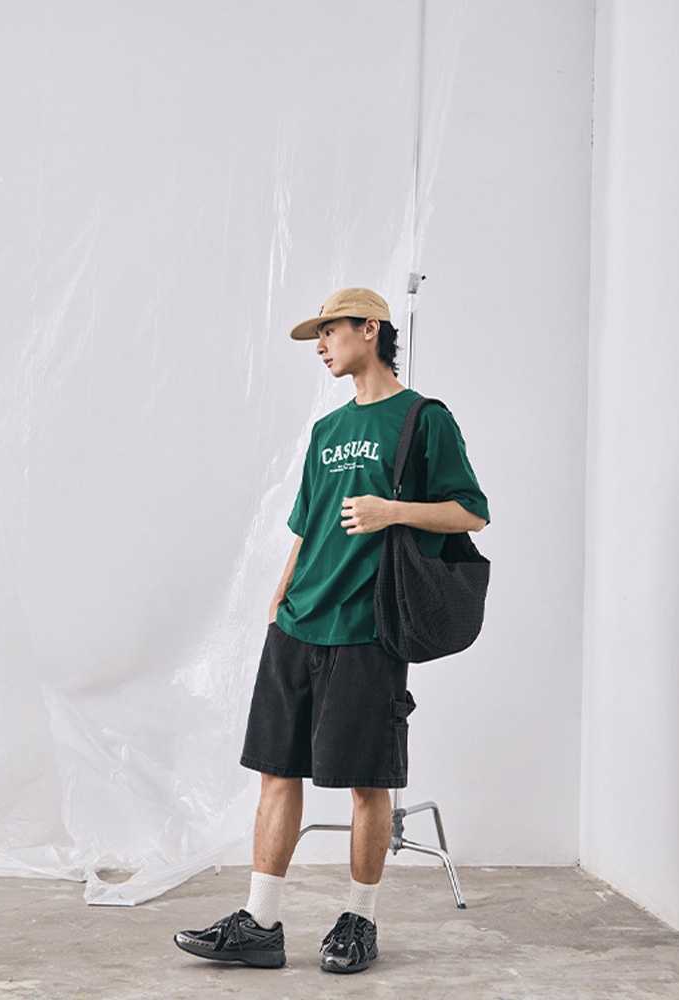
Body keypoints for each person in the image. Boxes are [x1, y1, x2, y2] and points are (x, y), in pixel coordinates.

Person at [174, 287, 488, 973]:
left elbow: (471, 512)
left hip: (368, 628)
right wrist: (279, 596)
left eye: (329, 331)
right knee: (275, 772)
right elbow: (307, 526)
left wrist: (393, 512)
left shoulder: (423, 419)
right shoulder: (326, 430)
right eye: (316, 336)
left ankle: (359, 921)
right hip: (297, 623)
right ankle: (260, 924)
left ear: (369, 329)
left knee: (367, 782)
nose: (320, 346)